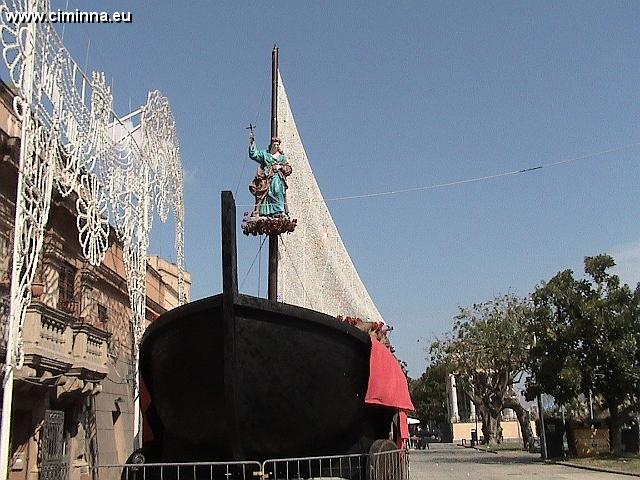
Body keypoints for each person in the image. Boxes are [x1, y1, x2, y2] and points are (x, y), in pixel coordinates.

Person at [248, 131, 292, 217]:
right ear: (271, 145)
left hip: (277, 177)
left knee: (277, 190)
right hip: (266, 178)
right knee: (265, 192)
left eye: (277, 145)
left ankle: (278, 211)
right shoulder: (265, 154)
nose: (276, 146)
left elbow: (289, 169)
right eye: (274, 144)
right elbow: (254, 155)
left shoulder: (282, 157)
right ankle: (265, 211)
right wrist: (252, 143)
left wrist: (280, 167)